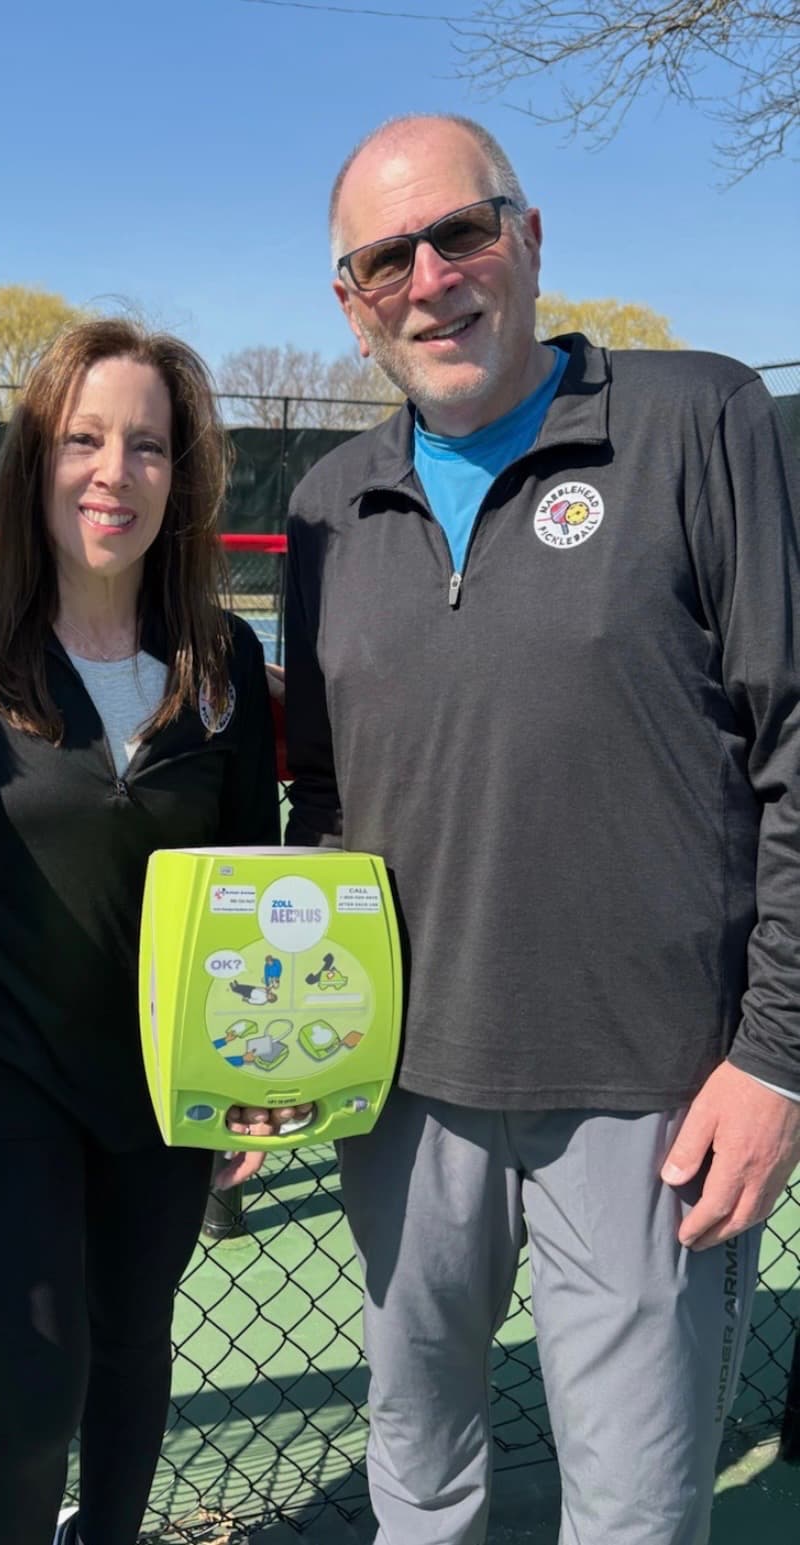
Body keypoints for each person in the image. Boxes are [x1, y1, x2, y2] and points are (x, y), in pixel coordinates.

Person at [285, 113, 800, 1544]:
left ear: (528, 238)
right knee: (423, 1483)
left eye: (461, 233)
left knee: (633, 1514)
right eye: (386, 259)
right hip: (400, 1096)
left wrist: (777, 1057)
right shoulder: (328, 504)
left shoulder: (698, 417)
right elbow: (321, 806)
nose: (431, 279)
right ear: (351, 302)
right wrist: (278, 1047)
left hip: (649, 1095)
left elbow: (795, 744)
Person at [0, 318, 296, 1545]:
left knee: (136, 1351)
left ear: (181, 477)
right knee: (38, 1381)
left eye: (147, 445)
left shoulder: (226, 658)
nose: (113, 472)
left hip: (166, 1092)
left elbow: (250, 886)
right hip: (9, 1077)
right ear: (34, 461)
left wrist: (244, 1084)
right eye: (83, 439)